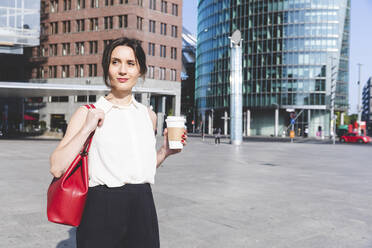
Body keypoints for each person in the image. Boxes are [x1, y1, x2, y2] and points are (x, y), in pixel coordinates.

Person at [49, 37, 187, 248]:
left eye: (130, 64)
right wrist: (87, 128)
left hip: (142, 204)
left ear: (140, 71)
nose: (123, 70)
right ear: (107, 68)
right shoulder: (88, 113)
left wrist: (164, 152)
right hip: (101, 206)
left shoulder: (148, 116)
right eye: (115, 62)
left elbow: (139, 168)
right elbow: (56, 167)